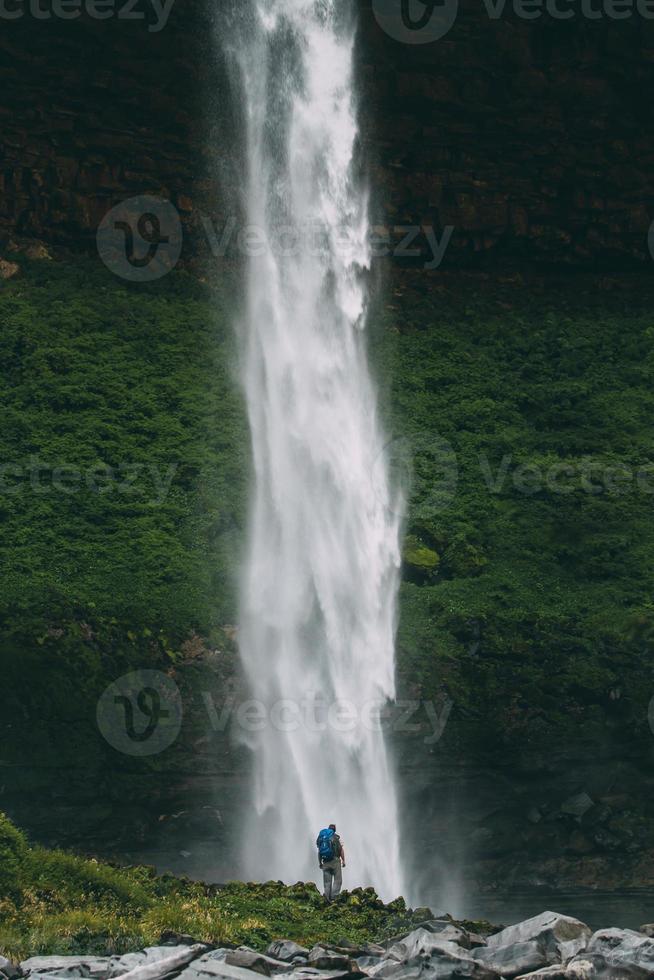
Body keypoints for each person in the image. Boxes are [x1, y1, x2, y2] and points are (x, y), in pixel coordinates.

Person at [317, 823, 346, 901]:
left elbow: (319, 852)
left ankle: (327, 898)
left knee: (327, 883)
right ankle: (334, 897)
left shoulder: (322, 838)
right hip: (335, 861)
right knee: (338, 880)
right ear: (334, 830)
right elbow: (341, 850)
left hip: (325, 862)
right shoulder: (336, 837)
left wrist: (320, 863)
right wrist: (343, 861)